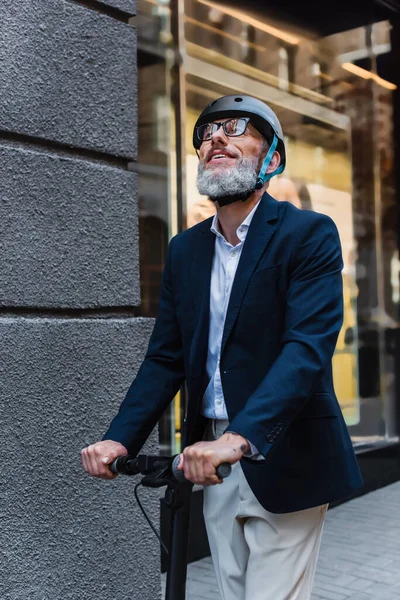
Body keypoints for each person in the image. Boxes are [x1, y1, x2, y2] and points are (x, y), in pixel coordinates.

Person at [81, 95, 363, 600]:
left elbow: (306, 349)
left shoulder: (308, 234)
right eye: (208, 131)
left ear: (272, 158)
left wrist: (238, 438)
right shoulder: (186, 249)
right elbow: (166, 357)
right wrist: (120, 438)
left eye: (236, 129)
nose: (217, 137)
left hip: (283, 450)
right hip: (207, 458)